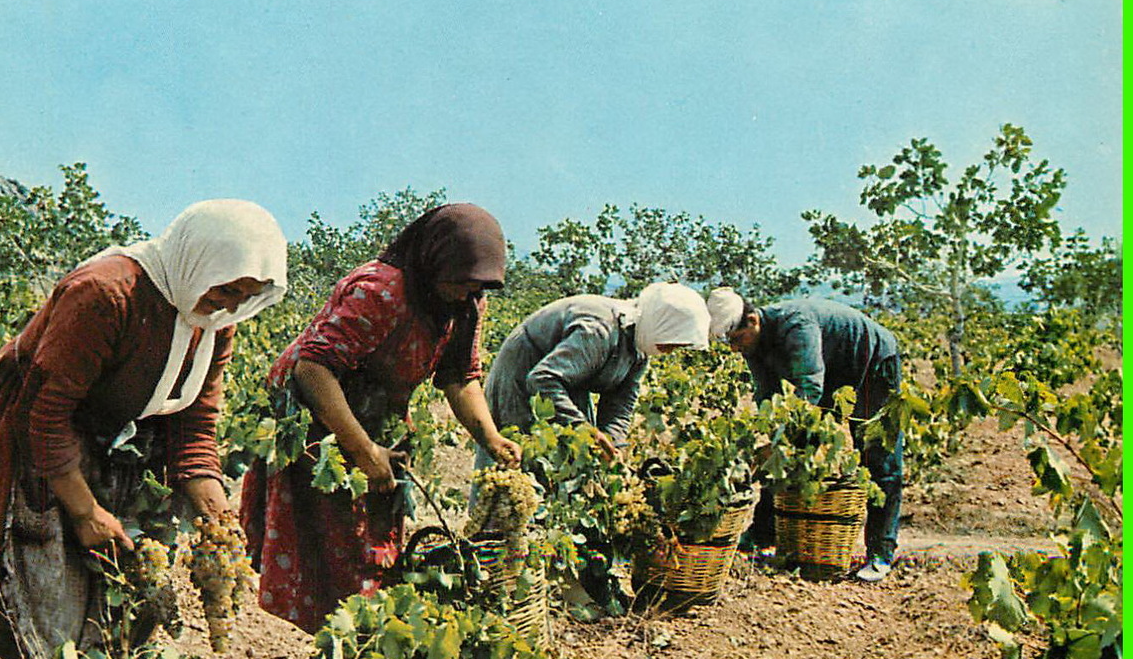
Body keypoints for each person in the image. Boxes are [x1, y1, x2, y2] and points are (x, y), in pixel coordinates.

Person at [0, 200, 288, 659]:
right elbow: (46, 414)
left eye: (245, 296)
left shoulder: (212, 321)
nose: (231, 304)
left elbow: (194, 425)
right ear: (199, 260)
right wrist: (85, 511)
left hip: (105, 433)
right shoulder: (105, 294)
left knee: (107, 570)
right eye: (228, 288)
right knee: (23, 562)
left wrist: (217, 516)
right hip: (29, 421)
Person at [240, 203, 523, 633]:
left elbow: (460, 378)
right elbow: (312, 369)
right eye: (461, 283)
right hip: (319, 420)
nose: (468, 294)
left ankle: (371, 651)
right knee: (338, 551)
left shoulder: (467, 303)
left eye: (477, 287)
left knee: (377, 545)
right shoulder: (383, 291)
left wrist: (491, 438)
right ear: (435, 261)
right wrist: (362, 450)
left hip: (378, 419)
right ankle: (358, 654)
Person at [705, 288, 904, 583]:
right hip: (832, 372)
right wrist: (769, 439)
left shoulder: (796, 325)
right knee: (789, 451)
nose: (734, 349)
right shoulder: (753, 346)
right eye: (728, 343)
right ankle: (763, 535)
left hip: (871, 362)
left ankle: (880, 553)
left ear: (752, 320)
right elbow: (768, 397)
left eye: (736, 339)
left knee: (877, 454)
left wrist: (780, 441)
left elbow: (809, 388)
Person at [478, 283, 712, 473]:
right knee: (515, 463)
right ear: (660, 324)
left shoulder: (641, 347)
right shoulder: (599, 330)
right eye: (671, 342)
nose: (670, 350)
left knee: (573, 466)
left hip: (567, 386)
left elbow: (622, 401)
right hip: (522, 377)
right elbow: (543, 379)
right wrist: (584, 429)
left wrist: (613, 444)